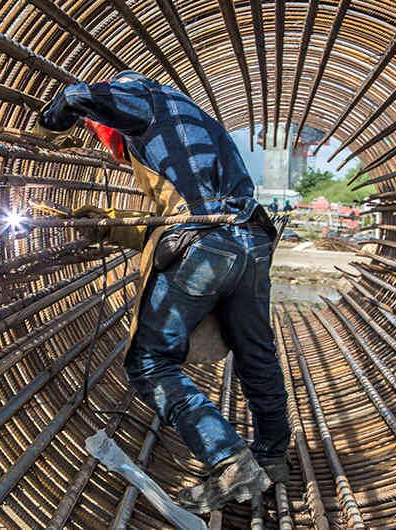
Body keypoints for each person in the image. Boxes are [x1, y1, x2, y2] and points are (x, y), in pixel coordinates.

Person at [33, 71, 289, 513]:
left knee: (150, 360)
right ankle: (272, 455)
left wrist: (50, 124)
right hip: (252, 241)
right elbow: (175, 216)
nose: (112, 151)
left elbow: (79, 94)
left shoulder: (145, 99)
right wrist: (106, 223)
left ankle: (230, 461)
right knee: (256, 352)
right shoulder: (189, 134)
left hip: (209, 247)